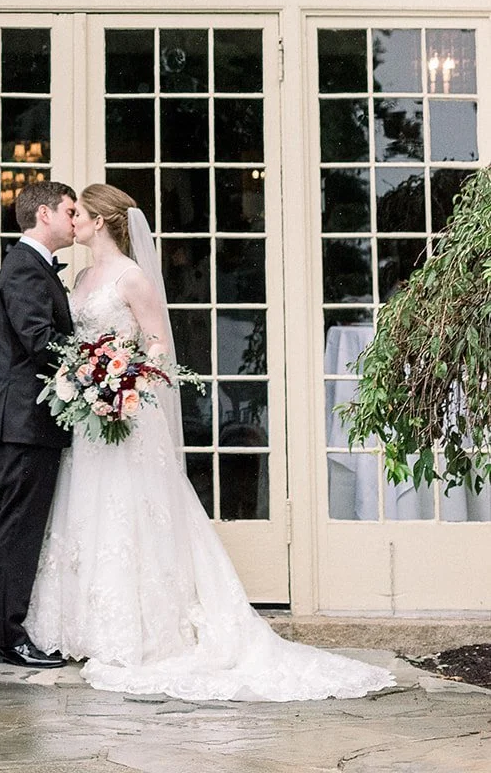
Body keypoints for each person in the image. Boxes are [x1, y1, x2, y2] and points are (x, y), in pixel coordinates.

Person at [25, 183, 396, 702]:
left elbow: (158, 343)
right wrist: (87, 382)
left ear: (102, 220)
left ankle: (141, 632)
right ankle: (84, 626)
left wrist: (126, 382)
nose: (73, 222)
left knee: (131, 511)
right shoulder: (82, 278)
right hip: (90, 420)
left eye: (79, 213)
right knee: (88, 510)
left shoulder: (132, 277)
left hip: (127, 415)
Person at [0, 179, 77, 668]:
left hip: (30, 420)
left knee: (21, 528)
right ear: (44, 214)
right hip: (24, 419)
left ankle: (5, 636)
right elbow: (39, 340)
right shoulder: (24, 266)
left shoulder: (33, 266)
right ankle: (7, 639)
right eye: (69, 211)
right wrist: (94, 360)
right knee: (18, 529)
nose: (75, 221)